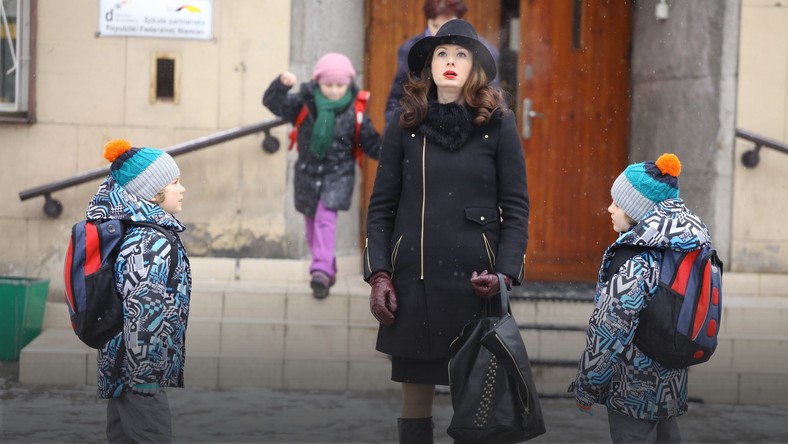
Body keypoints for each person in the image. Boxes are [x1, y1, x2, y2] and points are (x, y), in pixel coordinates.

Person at [363, 20, 530, 443]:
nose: (450, 61)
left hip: (476, 286)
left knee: (474, 409)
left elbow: (516, 208)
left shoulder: (499, 123)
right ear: (430, 66)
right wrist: (379, 274)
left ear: (475, 66)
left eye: (460, 54)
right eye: (442, 54)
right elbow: (381, 207)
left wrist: (505, 275)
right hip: (413, 284)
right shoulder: (406, 122)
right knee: (415, 402)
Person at [569, 153, 711, 443]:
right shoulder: (678, 248)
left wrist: (587, 386)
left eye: (618, 203)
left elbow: (609, 331)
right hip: (670, 379)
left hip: (632, 388)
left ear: (638, 210)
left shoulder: (637, 261)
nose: (610, 208)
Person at [88, 139, 191, 443]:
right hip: (137, 371)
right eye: (174, 183)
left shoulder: (143, 232)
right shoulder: (149, 243)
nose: (182, 189)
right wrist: (144, 375)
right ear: (152, 191)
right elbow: (142, 311)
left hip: (125, 366)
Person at [263, 52, 382, 299]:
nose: (335, 91)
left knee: (325, 220)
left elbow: (370, 142)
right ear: (318, 82)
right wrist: (281, 85)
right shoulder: (304, 102)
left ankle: (320, 271)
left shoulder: (356, 109)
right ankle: (328, 266)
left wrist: (395, 151)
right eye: (329, 85)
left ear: (348, 84)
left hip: (338, 175)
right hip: (307, 175)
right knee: (311, 228)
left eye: (340, 85)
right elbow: (273, 104)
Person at [383, 0, 501, 127]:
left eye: (461, 55)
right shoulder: (409, 49)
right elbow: (396, 97)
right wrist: (398, 130)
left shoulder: (484, 51)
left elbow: (493, 95)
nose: (442, 32)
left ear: (461, 20)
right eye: (435, 26)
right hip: (422, 121)